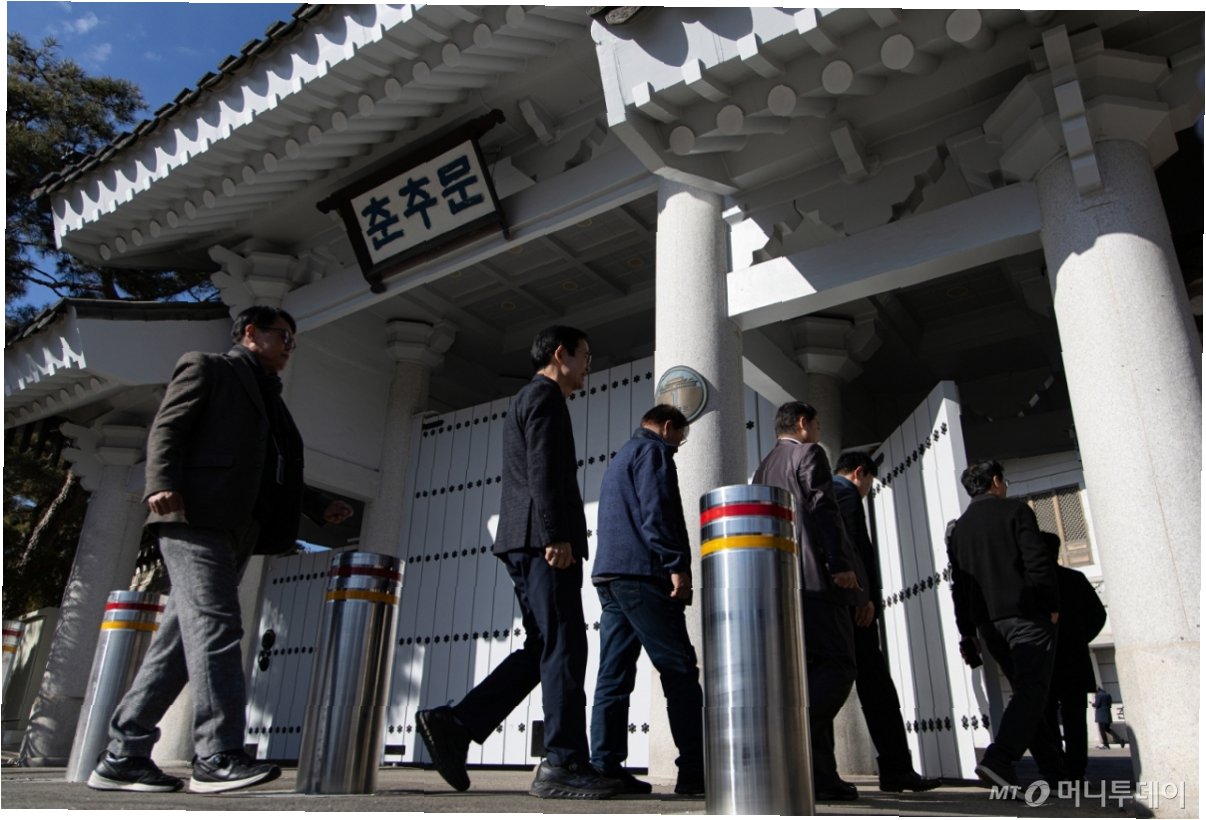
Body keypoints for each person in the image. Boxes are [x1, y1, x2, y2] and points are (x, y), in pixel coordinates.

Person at [88, 305, 354, 794]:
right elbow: (169, 426)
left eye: (294, 340)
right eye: (284, 336)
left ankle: (123, 755)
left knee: (176, 646)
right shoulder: (208, 367)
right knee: (218, 625)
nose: (290, 347)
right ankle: (216, 754)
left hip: (239, 528)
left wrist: (318, 505)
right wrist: (160, 482)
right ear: (250, 332)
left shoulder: (271, 399)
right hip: (194, 516)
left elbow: (271, 468)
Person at [415, 326, 622, 800]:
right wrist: (556, 535)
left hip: (524, 539)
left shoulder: (531, 398)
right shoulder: (544, 397)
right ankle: (563, 762)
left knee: (545, 646)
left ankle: (457, 723)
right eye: (585, 355)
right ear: (560, 354)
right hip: (540, 540)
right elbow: (542, 470)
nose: (588, 365)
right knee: (565, 646)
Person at [589, 404, 705, 796]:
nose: (678, 447)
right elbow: (658, 513)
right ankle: (694, 770)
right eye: (680, 439)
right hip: (644, 576)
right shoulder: (654, 452)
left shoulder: (621, 456)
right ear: (668, 426)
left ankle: (605, 767)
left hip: (611, 577)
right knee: (679, 670)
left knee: (614, 675)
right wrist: (677, 565)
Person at [752, 402, 862, 802]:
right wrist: (840, 564)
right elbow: (822, 508)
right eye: (816, 423)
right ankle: (793, 732)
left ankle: (821, 776)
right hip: (815, 580)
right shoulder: (809, 453)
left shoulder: (764, 467)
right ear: (802, 423)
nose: (818, 431)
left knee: (807, 673)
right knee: (839, 665)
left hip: (781, 584)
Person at [946, 460, 1065, 791]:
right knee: (1032, 691)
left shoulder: (959, 530)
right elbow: (1037, 561)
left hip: (989, 624)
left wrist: (967, 630)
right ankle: (999, 758)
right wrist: (1051, 605)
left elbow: (960, 586)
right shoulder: (1016, 511)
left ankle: (1055, 771)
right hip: (1026, 615)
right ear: (996, 481)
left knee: (1027, 694)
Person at [832, 451, 941, 794]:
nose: (867, 490)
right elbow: (858, 549)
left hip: (833, 605)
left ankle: (891, 768)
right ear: (859, 473)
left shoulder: (823, 493)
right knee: (877, 686)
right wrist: (866, 596)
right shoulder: (846, 494)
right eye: (869, 482)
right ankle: (897, 768)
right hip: (855, 605)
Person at [1039, 532, 1107, 780]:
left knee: (1047, 716)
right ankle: (1077, 769)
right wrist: (1079, 639)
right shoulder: (1075, 579)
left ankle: (1056, 767)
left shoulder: (1033, 584)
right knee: (1075, 719)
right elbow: (1098, 615)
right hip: (1074, 659)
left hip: (1045, 660)